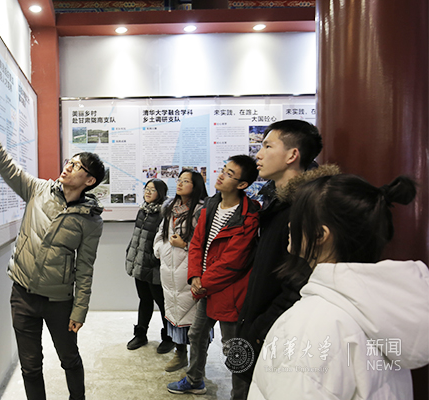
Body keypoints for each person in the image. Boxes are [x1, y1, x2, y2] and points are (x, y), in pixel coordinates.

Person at [0, 88, 106, 400]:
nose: (68, 166)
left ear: (89, 181)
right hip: (23, 295)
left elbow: (85, 268)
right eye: (69, 161)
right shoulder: (38, 190)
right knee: (30, 366)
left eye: (77, 166)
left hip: (59, 301)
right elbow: (6, 164)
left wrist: (79, 310)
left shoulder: (90, 220)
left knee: (69, 359)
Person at [247, 174, 429, 399]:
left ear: (320, 235)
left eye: (297, 216)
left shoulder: (313, 323)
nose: (289, 224)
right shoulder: (386, 313)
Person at [234, 120, 327, 389]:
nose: (259, 155)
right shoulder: (275, 201)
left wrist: (260, 330)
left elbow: (299, 282)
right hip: (258, 321)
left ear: (292, 155)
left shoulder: (305, 207)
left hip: (275, 332)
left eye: (267, 146)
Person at [167, 155, 260, 397]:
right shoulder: (211, 204)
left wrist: (203, 283)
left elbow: (233, 261)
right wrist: (194, 276)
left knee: (233, 347)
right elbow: (197, 243)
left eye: (230, 174)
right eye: (224, 169)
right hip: (206, 287)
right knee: (196, 334)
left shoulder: (249, 215)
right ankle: (194, 380)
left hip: (230, 291)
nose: (221, 175)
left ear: (242, 184)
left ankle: (241, 395)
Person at [154, 169, 208, 372]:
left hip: (189, 269)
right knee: (173, 310)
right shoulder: (170, 207)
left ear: (196, 186)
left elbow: (205, 243)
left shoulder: (201, 210)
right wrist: (160, 249)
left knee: (192, 316)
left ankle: (196, 362)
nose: (180, 183)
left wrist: (184, 245)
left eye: (186, 181)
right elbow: (161, 233)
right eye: (179, 180)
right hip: (168, 270)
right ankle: (180, 353)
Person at [125, 178, 174, 353]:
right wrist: (130, 252)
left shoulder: (165, 213)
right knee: (144, 299)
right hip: (139, 263)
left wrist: (155, 258)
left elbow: (165, 240)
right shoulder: (143, 210)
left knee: (162, 303)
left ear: (160, 193)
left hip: (155, 266)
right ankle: (140, 334)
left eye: (152, 190)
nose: (148, 192)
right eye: (146, 189)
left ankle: (169, 338)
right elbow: (136, 236)